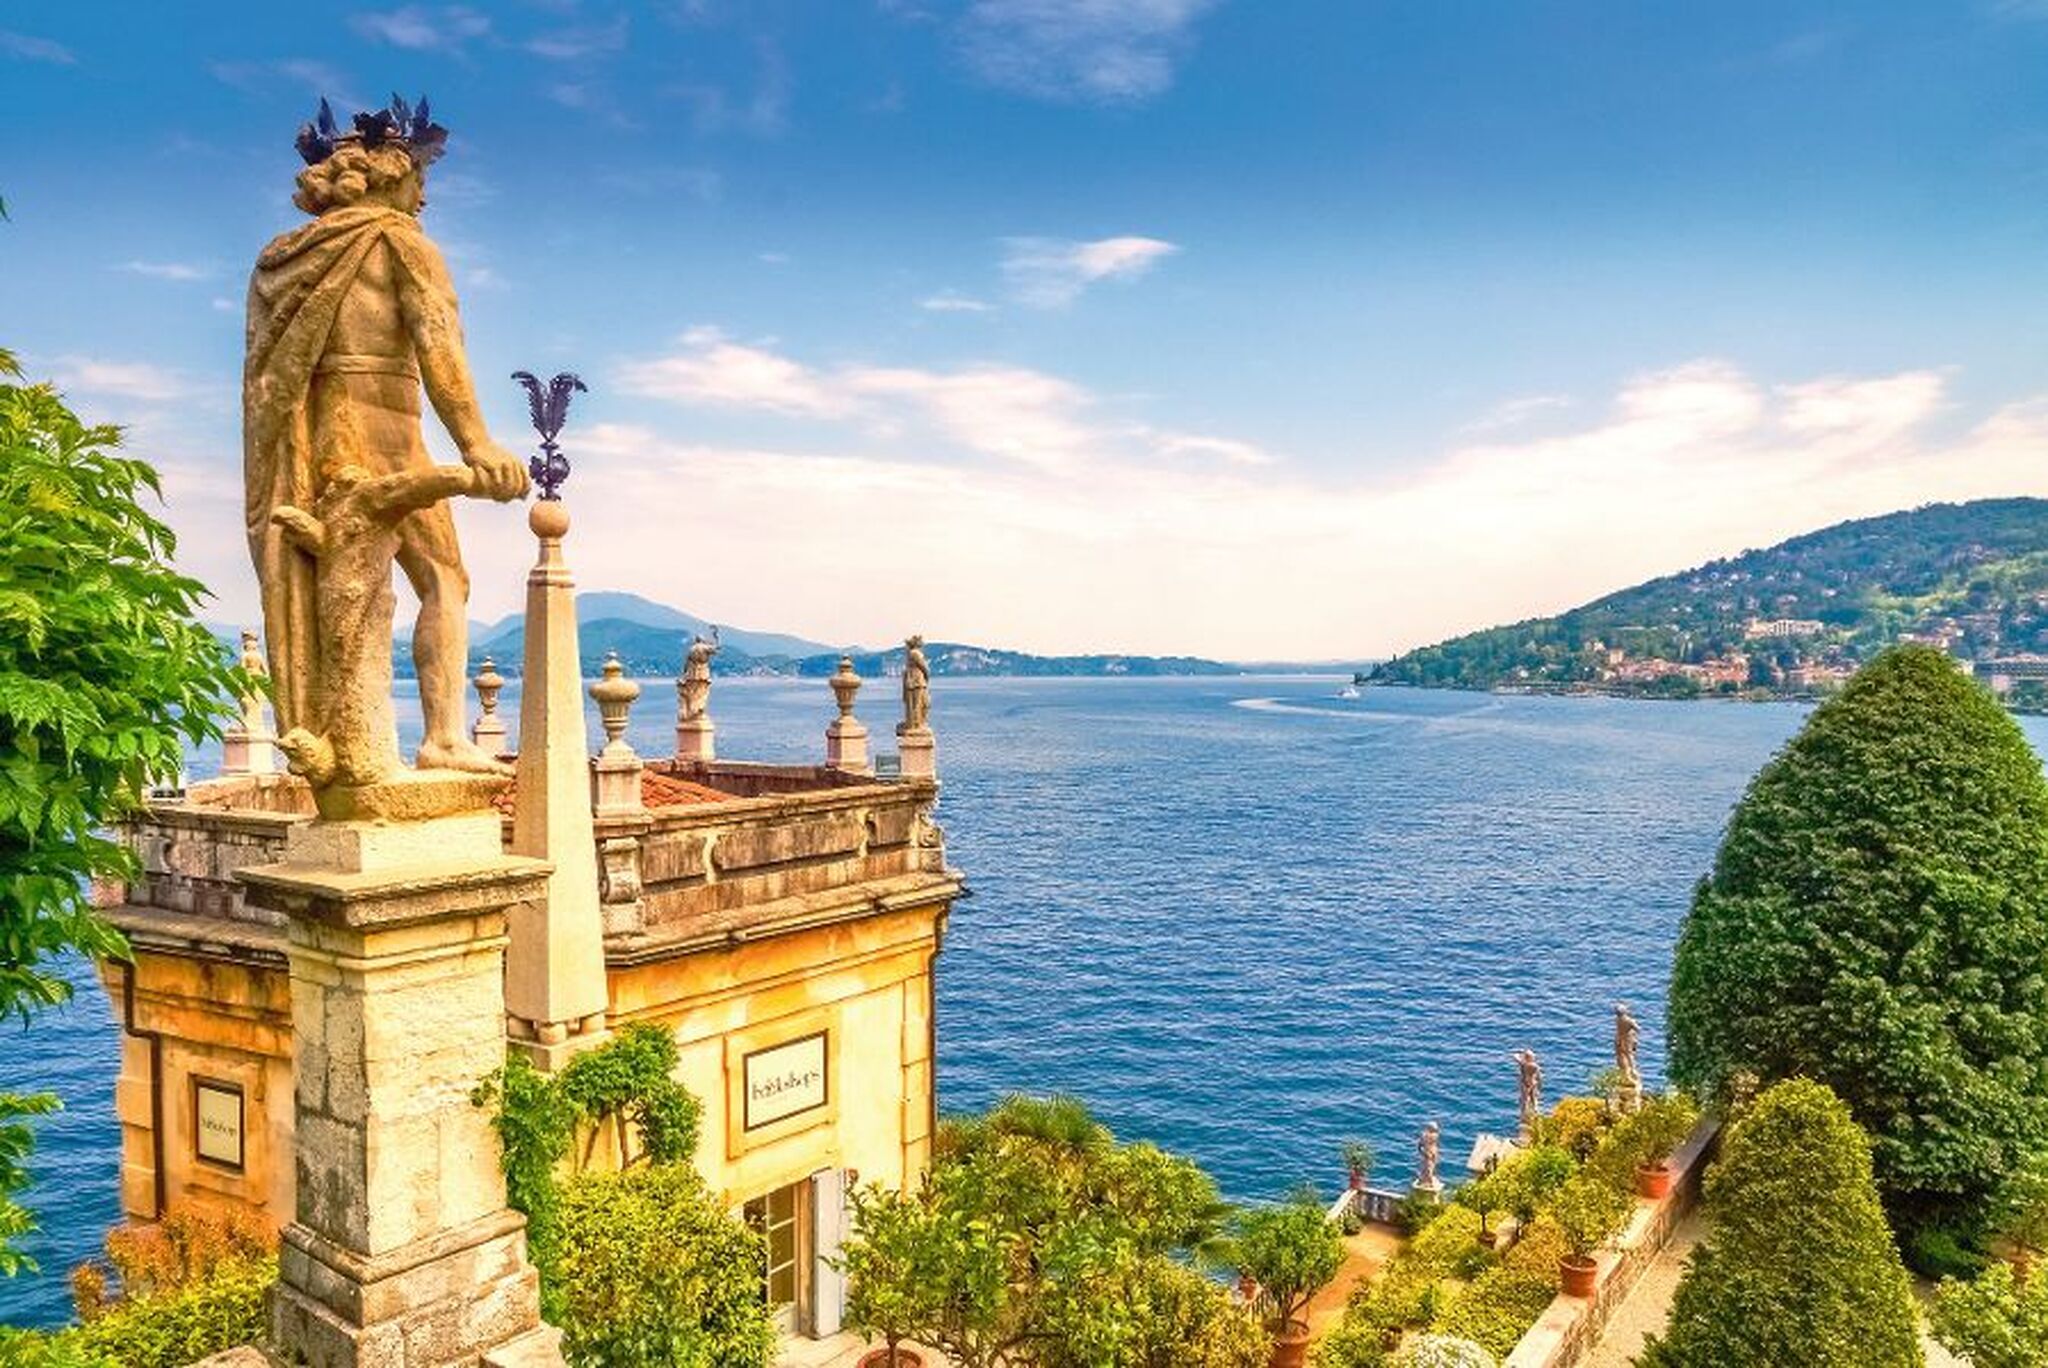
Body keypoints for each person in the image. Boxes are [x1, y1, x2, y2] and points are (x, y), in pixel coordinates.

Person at [244, 95, 526, 774]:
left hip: (321, 446)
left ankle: (346, 740)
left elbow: (268, 384)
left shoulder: (280, 259)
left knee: (347, 592)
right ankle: (442, 738)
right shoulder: (401, 242)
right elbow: (439, 345)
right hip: (391, 435)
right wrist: (478, 445)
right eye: (420, 177)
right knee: (445, 580)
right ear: (391, 170)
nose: (424, 195)